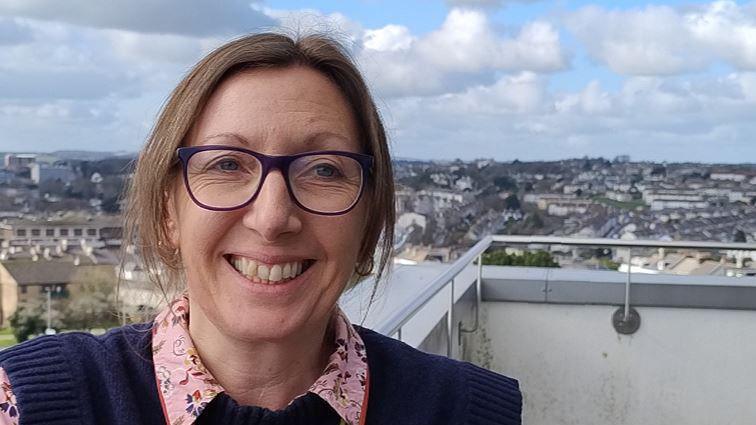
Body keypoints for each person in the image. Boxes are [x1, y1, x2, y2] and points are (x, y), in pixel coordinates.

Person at [0, 33, 521, 424]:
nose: (272, 219)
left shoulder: (468, 410)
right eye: (226, 165)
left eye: (323, 170)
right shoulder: (31, 401)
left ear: (370, 219)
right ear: (167, 212)